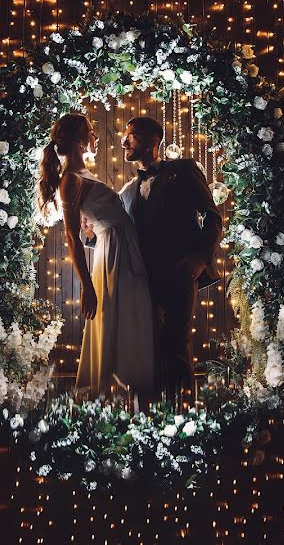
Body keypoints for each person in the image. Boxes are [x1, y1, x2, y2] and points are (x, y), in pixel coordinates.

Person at [100, 116, 223, 400]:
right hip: (141, 279)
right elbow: (117, 234)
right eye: (125, 136)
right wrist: (91, 236)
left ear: (154, 141)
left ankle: (184, 417)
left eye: (132, 136)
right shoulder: (128, 191)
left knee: (176, 344)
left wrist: (201, 256)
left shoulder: (183, 169)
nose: (124, 141)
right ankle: (151, 419)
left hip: (179, 273)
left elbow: (212, 216)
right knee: (147, 347)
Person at [38, 113, 156, 402]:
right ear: (81, 141)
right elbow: (70, 237)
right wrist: (87, 288)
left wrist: (93, 226)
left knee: (132, 317)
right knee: (122, 318)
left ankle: (134, 391)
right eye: (92, 132)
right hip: (115, 254)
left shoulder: (81, 175)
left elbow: (91, 223)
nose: (97, 138)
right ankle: (117, 390)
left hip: (121, 246)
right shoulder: (70, 180)